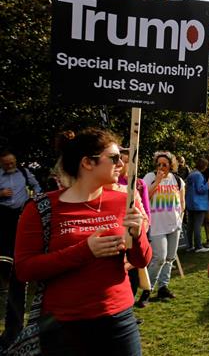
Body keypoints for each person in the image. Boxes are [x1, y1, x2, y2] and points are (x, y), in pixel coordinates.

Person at [14, 128, 151, 355]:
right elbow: (25, 270)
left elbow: (142, 259)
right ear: (87, 163)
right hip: (64, 325)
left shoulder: (122, 201)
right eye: (114, 158)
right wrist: (85, 250)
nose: (122, 163)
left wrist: (138, 237)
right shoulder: (41, 208)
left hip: (119, 321)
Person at [0, 150, 42, 346]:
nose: (10, 166)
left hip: (21, 215)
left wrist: (35, 202)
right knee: (6, 261)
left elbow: (37, 187)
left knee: (17, 262)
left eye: (12, 162)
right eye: (6, 164)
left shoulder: (24, 173)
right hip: (3, 216)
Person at [139, 151, 185, 307]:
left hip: (174, 225)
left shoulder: (178, 180)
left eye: (164, 164)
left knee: (170, 258)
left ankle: (163, 287)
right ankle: (147, 290)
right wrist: (157, 181)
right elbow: (144, 197)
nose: (161, 167)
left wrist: (180, 218)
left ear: (171, 165)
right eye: (158, 164)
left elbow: (182, 202)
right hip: (157, 226)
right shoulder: (149, 177)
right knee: (159, 258)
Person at [117, 147, 151, 308]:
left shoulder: (138, 183)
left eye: (126, 161)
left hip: (137, 234)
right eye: (121, 160)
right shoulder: (114, 186)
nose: (122, 164)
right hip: (121, 239)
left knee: (136, 273)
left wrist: (143, 229)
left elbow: (145, 209)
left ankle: (129, 307)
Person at [184, 158, 209, 253]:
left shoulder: (191, 174)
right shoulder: (198, 175)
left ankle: (189, 245)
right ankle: (198, 246)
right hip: (199, 204)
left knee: (190, 225)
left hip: (190, 203)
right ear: (203, 166)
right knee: (197, 225)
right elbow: (200, 189)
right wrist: (208, 184)